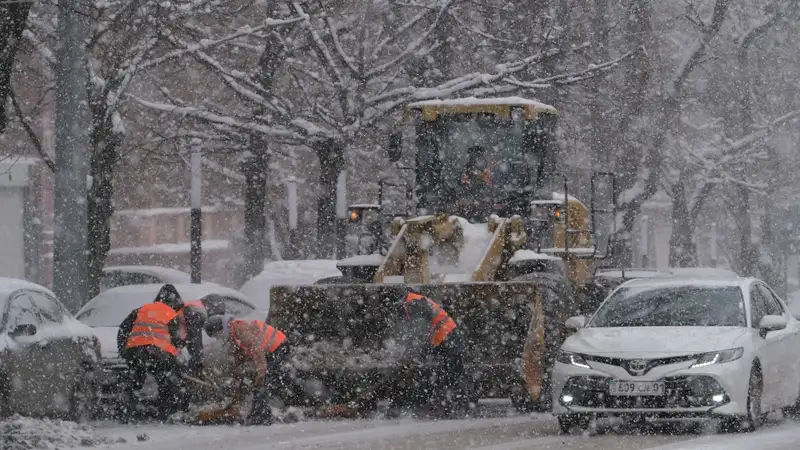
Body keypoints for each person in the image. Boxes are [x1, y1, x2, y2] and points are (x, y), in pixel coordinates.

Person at [383, 285, 468, 418]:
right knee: (448, 373)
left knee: (450, 374)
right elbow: (416, 333)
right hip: (445, 337)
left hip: (447, 337)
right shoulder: (412, 301)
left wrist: (415, 354)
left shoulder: (413, 303)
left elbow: (421, 331)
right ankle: (452, 406)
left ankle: (454, 408)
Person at [116, 284, 187, 421]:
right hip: (159, 352)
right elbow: (176, 340)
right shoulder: (171, 314)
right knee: (166, 377)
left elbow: (123, 329)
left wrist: (124, 351)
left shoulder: (141, 309)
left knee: (136, 376)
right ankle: (167, 411)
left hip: (135, 351)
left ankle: (126, 410)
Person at [203, 315, 291, 425]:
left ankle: (263, 415)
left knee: (264, 382)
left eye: (216, 335)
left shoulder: (239, 328)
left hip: (278, 346)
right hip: (270, 351)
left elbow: (256, 348)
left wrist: (261, 371)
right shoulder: (233, 333)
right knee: (263, 383)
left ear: (220, 329)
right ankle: (260, 411)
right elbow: (239, 355)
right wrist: (235, 374)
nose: (217, 338)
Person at [175, 293, 227, 377]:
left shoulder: (194, 306)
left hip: (170, 333)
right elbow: (194, 337)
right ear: (213, 308)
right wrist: (198, 358)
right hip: (167, 336)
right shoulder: (197, 311)